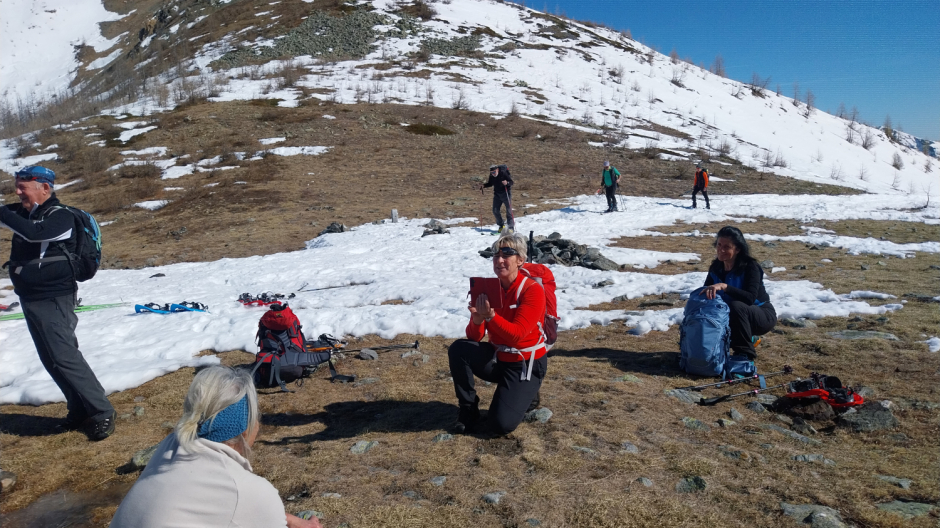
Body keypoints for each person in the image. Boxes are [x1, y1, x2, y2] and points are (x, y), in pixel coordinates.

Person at [110, 366, 321, 528]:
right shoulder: (243, 487)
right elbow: (243, 499)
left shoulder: (172, 444)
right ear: (246, 430)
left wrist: (286, 519)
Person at [0, 166, 115, 440]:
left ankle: (102, 412)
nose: (17, 192)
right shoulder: (29, 214)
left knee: (65, 356)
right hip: (31, 297)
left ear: (45, 188)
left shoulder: (59, 216)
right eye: (16, 187)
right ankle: (78, 410)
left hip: (54, 297)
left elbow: (34, 234)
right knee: (51, 359)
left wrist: (3, 211)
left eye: (22, 188)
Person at [447, 232, 547, 435]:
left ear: (520, 260)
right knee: (459, 349)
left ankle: (529, 392)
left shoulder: (532, 290)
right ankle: (468, 410)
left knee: (500, 425)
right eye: (496, 255)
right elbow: (474, 337)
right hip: (499, 357)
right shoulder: (490, 288)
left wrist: (491, 317)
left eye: (506, 254)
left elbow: (517, 335)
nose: (499, 260)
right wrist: (477, 319)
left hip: (525, 363)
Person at [702, 226, 776, 359]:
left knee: (736, 306)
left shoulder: (750, 267)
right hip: (730, 315)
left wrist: (725, 287)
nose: (721, 250)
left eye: (727, 247)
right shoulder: (716, 267)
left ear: (738, 249)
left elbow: (750, 299)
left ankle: (745, 355)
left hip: (761, 315)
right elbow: (706, 292)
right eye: (719, 245)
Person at [480, 164, 514, 233]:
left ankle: (511, 228)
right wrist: (484, 185)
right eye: (492, 172)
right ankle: (501, 225)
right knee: (495, 210)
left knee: (509, 211)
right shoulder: (492, 176)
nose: (493, 173)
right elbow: (490, 183)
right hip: (497, 195)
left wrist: (507, 183)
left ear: (497, 170)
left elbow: (511, 182)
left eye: (494, 172)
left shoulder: (503, 173)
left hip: (506, 193)